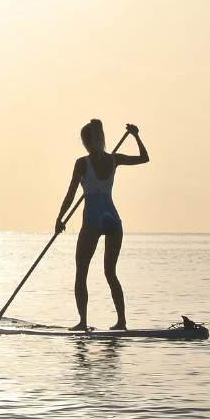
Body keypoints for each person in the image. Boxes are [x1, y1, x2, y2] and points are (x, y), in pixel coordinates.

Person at [55, 120, 149, 331]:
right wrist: (136, 136)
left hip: (92, 219)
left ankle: (83, 322)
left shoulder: (81, 163)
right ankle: (121, 321)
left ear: (86, 142)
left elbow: (71, 194)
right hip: (112, 218)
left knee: (81, 272)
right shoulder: (114, 159)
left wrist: (59, 219)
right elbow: (144, 157)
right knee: (110, 272)